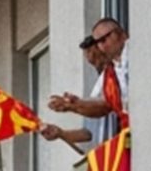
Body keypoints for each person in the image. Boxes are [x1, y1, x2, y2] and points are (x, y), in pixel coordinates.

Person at [39, 18, 130, 152]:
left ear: (120, 34)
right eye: (92, 62)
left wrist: (75, 106)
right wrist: (73, 106)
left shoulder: (133, 51)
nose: (97, 66)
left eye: (98, 59)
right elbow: (99, 109)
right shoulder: (108, 76)